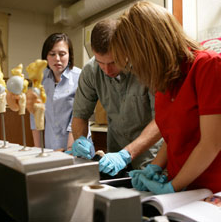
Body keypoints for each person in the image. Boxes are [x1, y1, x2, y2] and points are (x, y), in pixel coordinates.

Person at [110, 1, 221, 197]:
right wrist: (154, 167)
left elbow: (211, 144)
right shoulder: (166, 80)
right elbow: (173, 136)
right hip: (184, 191)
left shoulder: (209, 66)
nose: (135, 67)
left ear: (150, 49)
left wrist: (173, 186)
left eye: (134, 59)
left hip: (220, 191)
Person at [69, 19, 162, 176]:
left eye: (113, 62)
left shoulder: (147, 68)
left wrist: (126, 154)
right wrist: (80, 140)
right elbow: (80, 115)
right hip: (115, 160)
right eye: (100, 63)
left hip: (151, 159)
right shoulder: (91, 71)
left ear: (126, 49)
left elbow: (161, 120)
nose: (106, 70)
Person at [30, 33, 81, 151]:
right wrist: (37, 150)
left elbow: (78, 117)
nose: (57, 59)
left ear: (69, 55)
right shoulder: (39, 80)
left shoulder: (80, 77)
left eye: (62, 54)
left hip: (76, 146)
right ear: (45, 57)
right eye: (52, 54)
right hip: (50, 146)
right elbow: (35, 117)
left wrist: (69, 150)